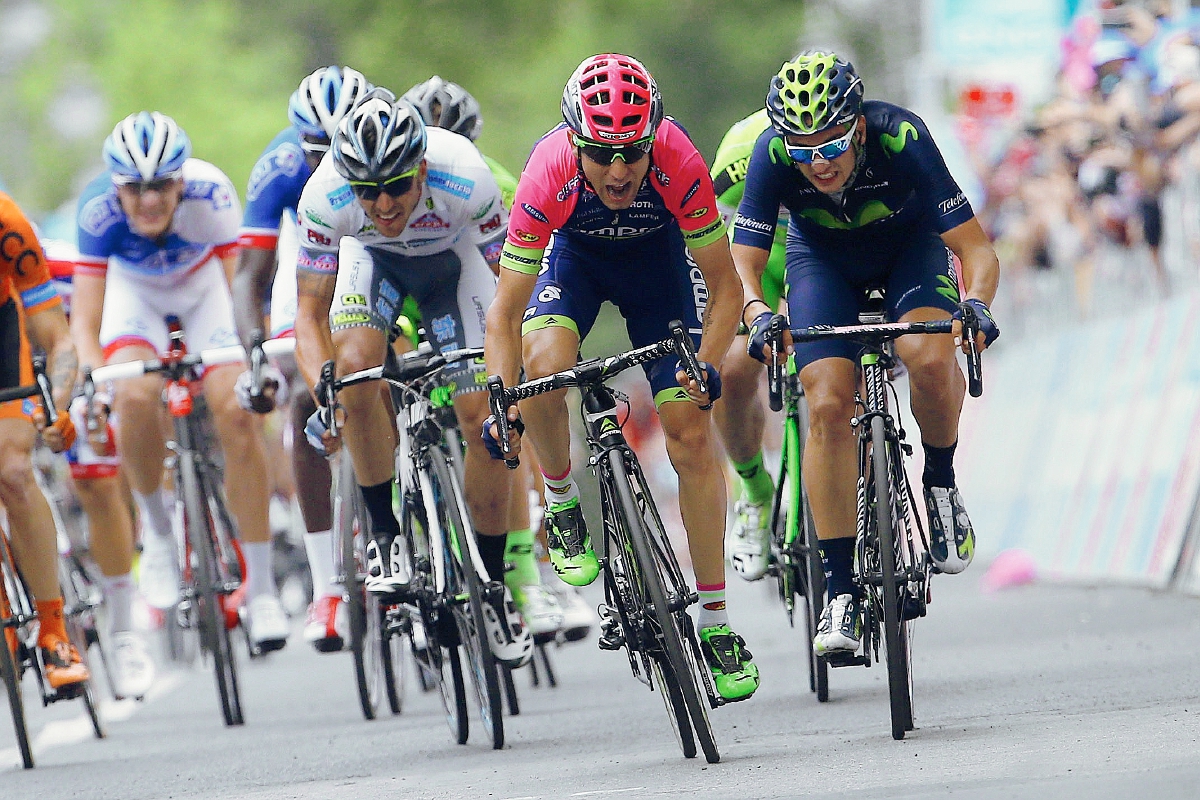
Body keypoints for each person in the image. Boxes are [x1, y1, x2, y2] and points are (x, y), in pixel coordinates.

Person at [483, 53, 759, 701]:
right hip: (573, 265)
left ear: (652, 139)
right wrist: (503, 398)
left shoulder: (677, 160)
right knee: (544, 366)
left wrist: (708, 368)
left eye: (632, 152)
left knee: (689, 430)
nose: (617, 170)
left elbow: (723, 291)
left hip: (657, 271)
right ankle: (562, 500)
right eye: (601, 153)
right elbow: (504, 314)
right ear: (575, 142)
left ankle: (717, 623)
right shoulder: (547, 172)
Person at [735, 52, 1000, 657]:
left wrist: (977, 303)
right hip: (822, 262)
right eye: (803, 150)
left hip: (909, 251)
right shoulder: (773, 154)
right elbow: (746, 259)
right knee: (826, 402)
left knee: (929, 358)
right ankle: (840, 591)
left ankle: (939, 485)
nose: (818, 162)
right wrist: (757, 311)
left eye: (830, 143)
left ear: (856, 125)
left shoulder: (900, 136)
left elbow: (977, 251)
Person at [292, 87, 532, 667]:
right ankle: (386, 534)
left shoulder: (465, 177)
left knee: (485, 422)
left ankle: (494, 585)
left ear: (422, 165)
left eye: (398, 185)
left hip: (456, 267)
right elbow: (308, 313)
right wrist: (324, 395)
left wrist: (512, 385)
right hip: (371, 267)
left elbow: (510, 290)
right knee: (353, 376)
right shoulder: (325, 197)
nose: (384, 205)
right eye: (368, 192)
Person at [73, 111, 290, 653]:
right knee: (134, 394)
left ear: (181, 182)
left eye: (162, 185)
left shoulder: (211, 195)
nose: (149, 200)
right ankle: (160, 534)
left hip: (204, 295)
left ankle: (261, 589)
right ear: (116, 189)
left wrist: (246, 361)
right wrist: (91, 381)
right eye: (135, 188)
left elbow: (238, 284)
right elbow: (84, 319)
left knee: (235, 409)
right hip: (136, 298)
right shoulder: (96, 213)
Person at [401, 74, 573, 641]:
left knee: (502, 415)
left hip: (475, 291)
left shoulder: (492, 182)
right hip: (407, 296)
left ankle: (523, 570)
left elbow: (517, 279)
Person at [231, 65, 371, 652]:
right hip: (313, 261)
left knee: (399, 372)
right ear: (299, 145)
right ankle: (327, 584)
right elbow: (251, 280)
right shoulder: (280, 167)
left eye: (337, 151)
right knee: (305, 397)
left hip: (382, 247)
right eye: (317, 152)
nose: (328, 167)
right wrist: (257, 358)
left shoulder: (389, 142)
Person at [42, 238, 155, 698]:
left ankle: (124, 629)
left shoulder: (61, 265)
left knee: (97, 482)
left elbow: (91, 337)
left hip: (68, 363)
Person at [0, 192, 90, 691]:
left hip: (2, 334)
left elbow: (57, 338)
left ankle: (54, 631)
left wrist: (55, 404)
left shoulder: (7, 222)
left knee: (11, 470)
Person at [708, 109, 790, 581]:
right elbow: (716, 250)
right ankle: (755, 491)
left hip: (825, 249)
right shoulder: (741, 151)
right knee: (735, 368)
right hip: (755, 254)